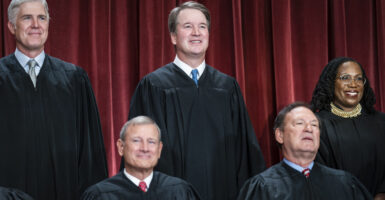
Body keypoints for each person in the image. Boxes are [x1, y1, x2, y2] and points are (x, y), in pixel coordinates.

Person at [125, 1, 265, 199]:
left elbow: (244, 152)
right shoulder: (154, 86)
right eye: (188, 26)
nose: (196, 33)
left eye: (202, 27)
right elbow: (140, 152)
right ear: (173, 36)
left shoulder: (227, 87)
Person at [0, 0, 108, 199]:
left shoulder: (74, 79)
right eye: (26, 18)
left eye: (42, 18)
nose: (36, 24)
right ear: (11, 26)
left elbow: (90, 152)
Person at [237, 102, 372, 200]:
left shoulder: (345, 183)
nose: (309, 129)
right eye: (300, 123)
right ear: (280, 135)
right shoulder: (263, 188)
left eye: (314, 125)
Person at [311, 57, 385, 199]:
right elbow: (317, 176)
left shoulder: (381, 121)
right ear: (331, 82)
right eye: (345, 78)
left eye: (359, 79)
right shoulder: (317, 124)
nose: (353, 84)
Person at [82, 116, 200, 199]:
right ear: (121, 147)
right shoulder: (100, 195)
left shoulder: (180, 192)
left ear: (159, 149)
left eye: (151, 142)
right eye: (136, 141)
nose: (145, 148)